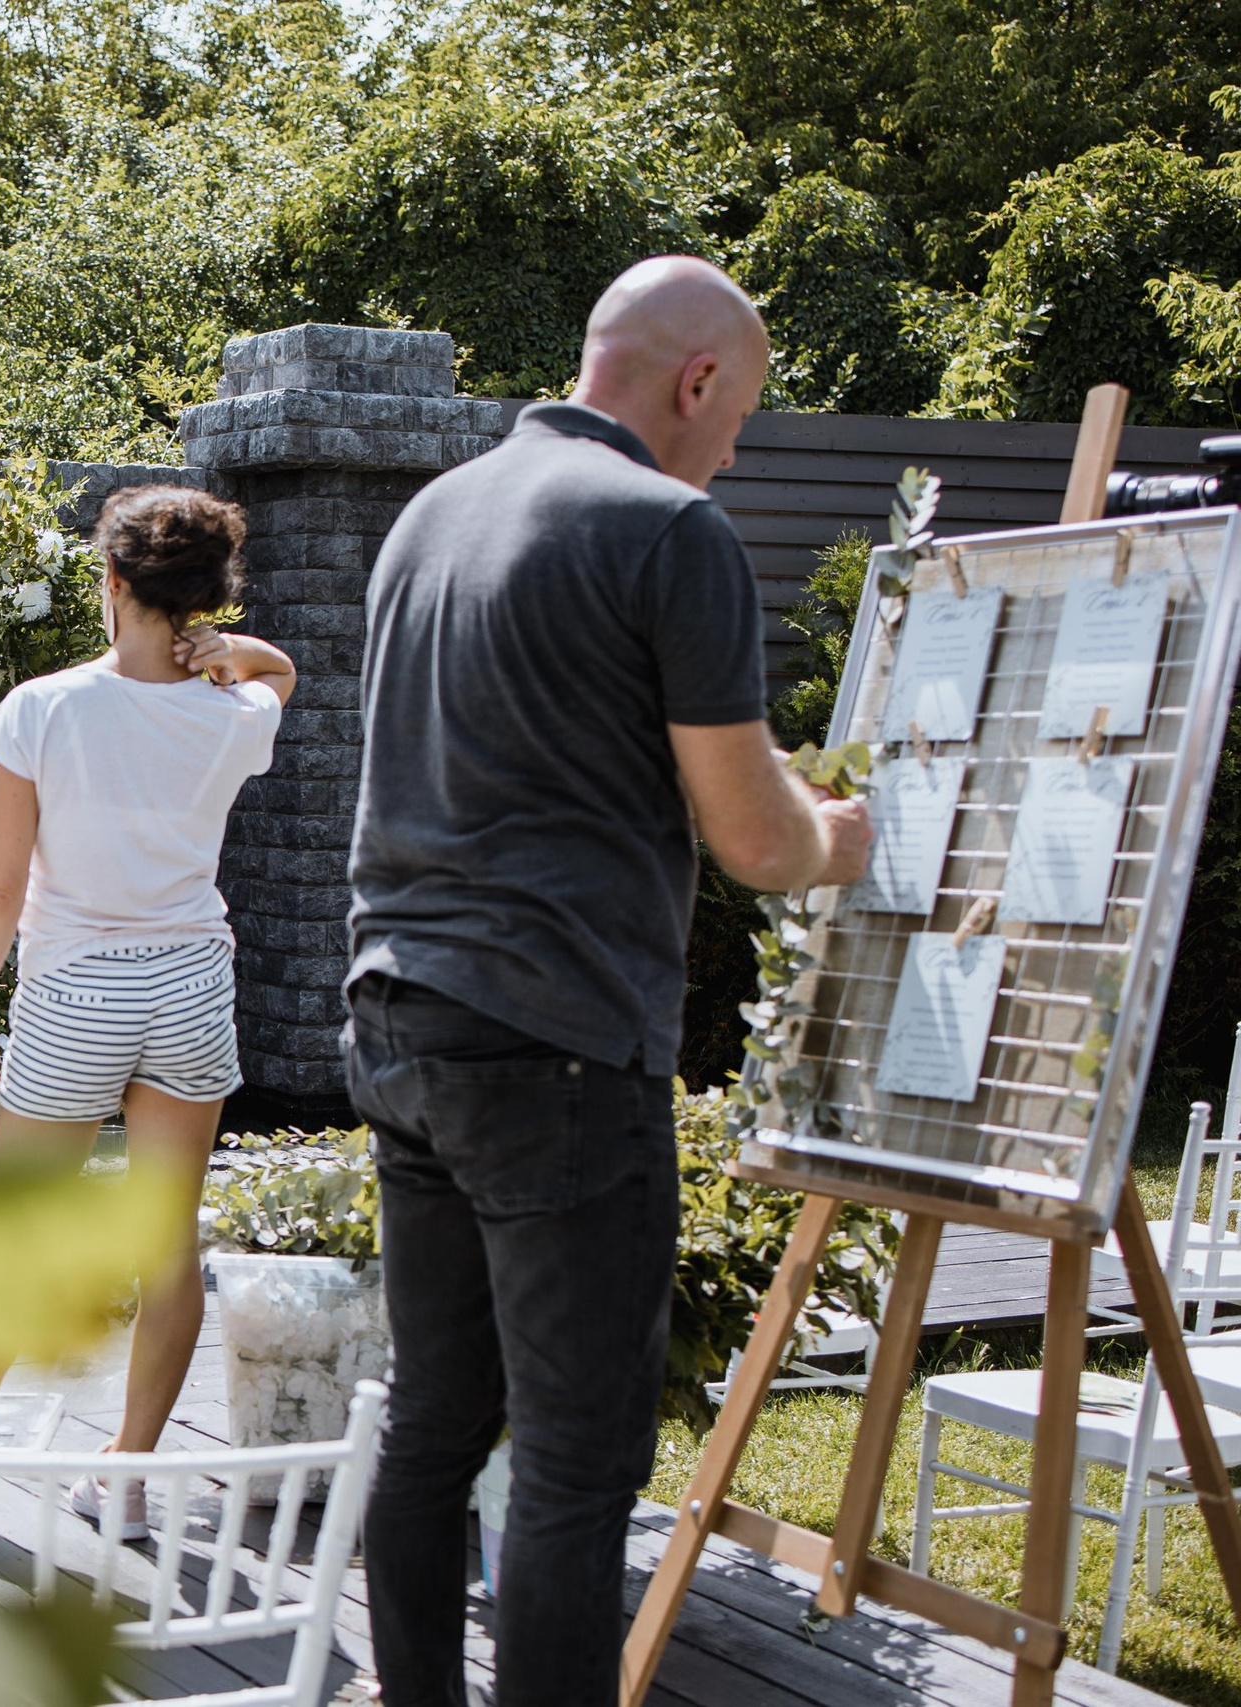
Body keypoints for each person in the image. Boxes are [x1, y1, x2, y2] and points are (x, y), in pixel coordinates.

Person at [344, 256, 873, 1707]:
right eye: (739, 417)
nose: (735, 452)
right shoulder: (669, 529)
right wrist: (840, 837)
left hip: (400, 1015)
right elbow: (757, 840)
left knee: (434, 1422)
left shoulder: (434, 513)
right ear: (696, 381)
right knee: (577, 1465)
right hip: (557, 1043)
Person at [0, 484, 297, 1530]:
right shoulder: (233, 711)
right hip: (191, 987)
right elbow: (282, 671)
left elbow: (0, 886)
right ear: (206, 593)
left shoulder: (45, 706)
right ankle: (127, 1478)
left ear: (110, 578)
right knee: (167, 1242)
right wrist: (224, 650)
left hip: (77, 995)